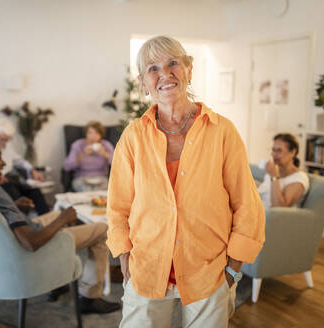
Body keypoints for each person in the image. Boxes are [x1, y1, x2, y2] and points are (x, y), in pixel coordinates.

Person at [106, 36, 265, 327]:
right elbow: (118, 206)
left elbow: (246, 204)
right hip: (147, 271)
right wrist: (125, 257)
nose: (165, 74)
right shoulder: (132, 137)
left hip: (209, 271)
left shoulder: (223, 132)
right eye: (153, 68)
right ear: (143, 82)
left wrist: (234, 268)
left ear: (189, 69)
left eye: (173, 63)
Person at [0, 139, 121, 314]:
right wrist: (62, 220)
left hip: (0, 245)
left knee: (62, 215)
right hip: (24, 251)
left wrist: (13, 207)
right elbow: (31, 243)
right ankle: (89, 298)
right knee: (101, 229)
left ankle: (58, 281)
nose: (3, 163)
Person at [258, 133, 309, 208]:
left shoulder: (299, 178)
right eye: (273, 150)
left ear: (293, 152)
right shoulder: (273, 171)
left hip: (270, 217)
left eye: (279, 150)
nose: (274, 155)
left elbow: (279, 208)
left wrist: (274, 176)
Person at [63, 121, 114, 191]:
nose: (93, 136)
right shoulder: (77, 145)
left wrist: (104, 153)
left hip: (101, 178)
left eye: (97, 133)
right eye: (90, 133)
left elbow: (118, 164)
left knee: (101, 194)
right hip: (82, 179)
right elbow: (67, 166)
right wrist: (83, 154)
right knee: (87, 192)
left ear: (101, 135)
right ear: (86, 134)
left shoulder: (106, 145)